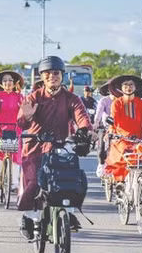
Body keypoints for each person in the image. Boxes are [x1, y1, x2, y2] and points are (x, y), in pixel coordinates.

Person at [17, 56, 92, 238]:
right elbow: (21, 123)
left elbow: (81, 116)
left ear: (62, 76)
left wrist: (86, 130)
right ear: (42, 76)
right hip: (36, 147)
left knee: (72, 180)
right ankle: (28, 216)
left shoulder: (71, 98)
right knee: (35, 182)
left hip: (61, 146)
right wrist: (26, 116)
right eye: (48, 73)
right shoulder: (34, 96)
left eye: (56, 73)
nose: (53, 76)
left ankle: (69, 214)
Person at [104, 75, 142, 181]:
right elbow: (113, 120)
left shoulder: (141, 104)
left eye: (131, 84)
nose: (128, 87)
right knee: (121, 155)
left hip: (138, 139)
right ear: (121, 88)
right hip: (121, 139)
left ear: (135, 87)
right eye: (125, 85)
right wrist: (111, 131)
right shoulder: (117, 103)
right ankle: (120, 182)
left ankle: (140, 182)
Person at [0, 70, 24, 187]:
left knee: (16, 153)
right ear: (1, 83)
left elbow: (25, 110)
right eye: (5, 80)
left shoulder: (19, 96)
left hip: (15, 128)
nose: (8, 83)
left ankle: (14, 182)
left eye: (10, 80)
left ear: (14, 83)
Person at [93, 81, 114, 177]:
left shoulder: (123, 100)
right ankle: (101, 164)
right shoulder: (104, 101)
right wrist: (95, 124)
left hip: (120, 128)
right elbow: (98, 114)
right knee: (101, 148)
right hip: (105, 127)